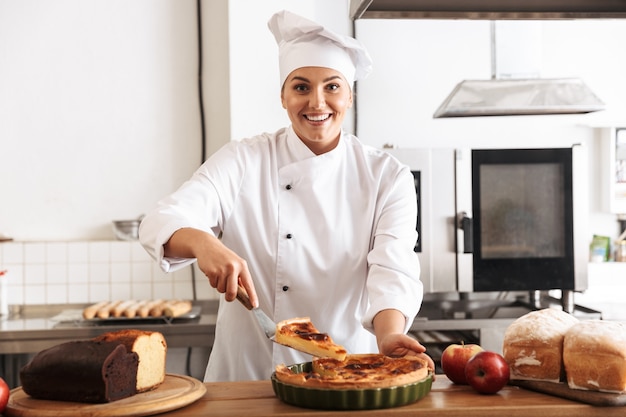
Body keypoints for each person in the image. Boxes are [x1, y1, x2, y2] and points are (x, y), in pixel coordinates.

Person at [139, 9, 434, 381]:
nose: (317, 103)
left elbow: (393, 268)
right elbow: (161, 221)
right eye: (301, 87)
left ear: (350, 97)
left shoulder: (387, 176)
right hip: (247, 377)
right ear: (282, 96)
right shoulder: (244, 159)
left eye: (332, 86)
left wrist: (389, 334)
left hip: (345, 374)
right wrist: (202, 244)